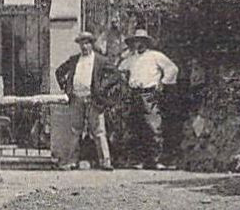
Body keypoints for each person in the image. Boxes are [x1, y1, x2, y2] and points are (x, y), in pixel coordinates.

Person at [52, 32, 119, 170]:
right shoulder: (74, 60)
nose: (84, 46)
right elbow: (59, 71)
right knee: (75, 131)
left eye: (87, 43)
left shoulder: (100, 60)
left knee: (99, 131)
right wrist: (66, 87)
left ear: (92, 44)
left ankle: (105, 161)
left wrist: (102, 88)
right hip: (76, 99)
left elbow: (115, 75)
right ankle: (72, 161)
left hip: (94, 99)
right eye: (81, 43)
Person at [117, 28, 178, 169]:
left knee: (153, 126)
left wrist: (162, 83)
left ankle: (156, 160)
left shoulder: (155, 56)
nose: (139, 44)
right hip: (134, 93)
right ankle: (140, 160)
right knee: (136, 126)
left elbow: (172, 69)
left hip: (149, 93)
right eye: (137, 41)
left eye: (142, 41)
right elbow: (120, 69)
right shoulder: (131, 58)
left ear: (147, 42)